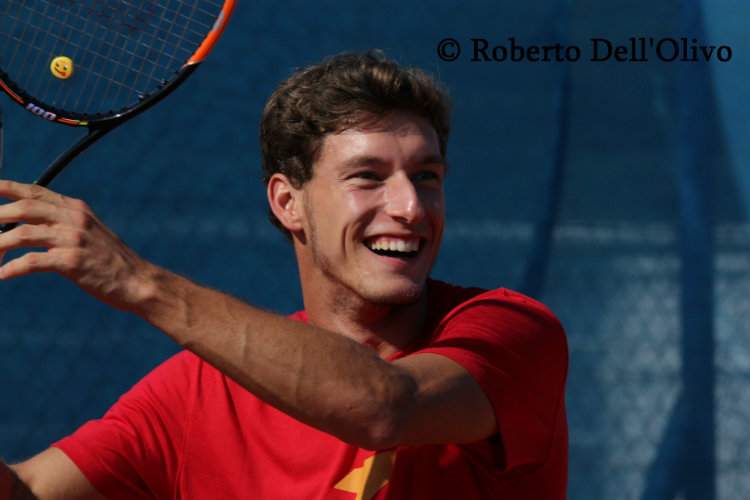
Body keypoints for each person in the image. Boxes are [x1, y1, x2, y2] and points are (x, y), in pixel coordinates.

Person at [0, 51, 568, 499]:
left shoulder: (514, 333)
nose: (411, 207)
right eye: (368, 176)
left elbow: (384, 407)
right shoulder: (198, 394)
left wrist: (141, 284)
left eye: (426, 177)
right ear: (288, 203)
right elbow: (26, 492)